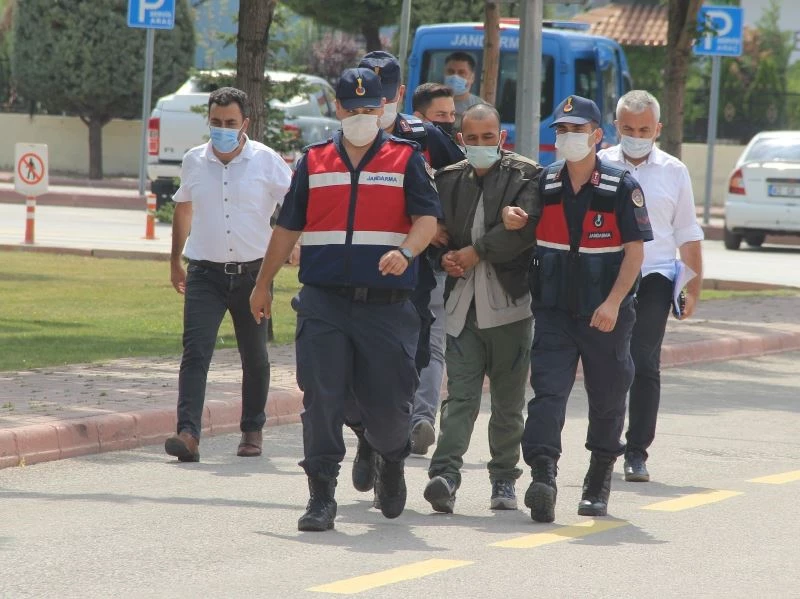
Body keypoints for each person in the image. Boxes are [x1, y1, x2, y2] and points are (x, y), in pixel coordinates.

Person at [249, 67, 440, 532]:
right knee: (321, 399)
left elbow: (428, 220)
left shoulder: (405, 159)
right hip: (324, 302)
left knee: (390, 407)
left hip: (387, 307)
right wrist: (263, 282)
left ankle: (390, 457)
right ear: (336, 109)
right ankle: (321, 496)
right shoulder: (313, 161)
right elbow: (287, 227)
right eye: (351, 109)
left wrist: (406, 251)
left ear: (382, 109)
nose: (360, 116)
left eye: (368, 108)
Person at [502, 95, 653, 522]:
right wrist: (515, 218)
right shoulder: (544, 183)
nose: (569, 137)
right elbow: (525, 222)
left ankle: (598, 478)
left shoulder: (621, 186)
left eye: (578, 130)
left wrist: (612, 302)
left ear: (597, 135)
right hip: (553, 311)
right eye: (562, 130)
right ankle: (543, 477)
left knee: (607, 398)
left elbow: (634, 254)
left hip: (605, 314)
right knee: (548, 395)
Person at [348, 53, 464, 499]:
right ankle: (365, 438)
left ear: (398, 95)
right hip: (358, 270)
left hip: (417, 271)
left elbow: (462, 182)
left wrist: (444, 231)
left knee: (407, 360)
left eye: (382, 94)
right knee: (358, 364)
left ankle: (399, 439)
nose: (373, 104)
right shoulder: (341, 143)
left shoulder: (425, 136)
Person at [424, 103, 542, 514]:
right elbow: (433, 232)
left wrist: (474, 252)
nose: (480, 145)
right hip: (461, 307)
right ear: (460, 141)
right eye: (471, 139)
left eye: (487, 137)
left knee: (508, 403)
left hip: (509, 307)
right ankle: (445, 476)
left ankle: (504, 481)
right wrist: (444, 254)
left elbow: (523, 233)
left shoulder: (526, 175)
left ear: (501, 137)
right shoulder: (448, 180)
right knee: (461, 397)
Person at [165, 86, 292, 463]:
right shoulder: (193, 161)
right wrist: (175, 260)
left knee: (254, 356)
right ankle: (188, 433)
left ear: (245, 123)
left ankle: (252, 430)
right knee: (195, 352)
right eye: (216, 122)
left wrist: (286, 252)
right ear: (209, 121)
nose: (222, 128)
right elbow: (183, 209)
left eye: (230, 123)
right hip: (204, 272)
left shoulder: (267, 161)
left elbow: (295, 207)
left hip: (254, 275)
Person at [597, 90, 704, 483]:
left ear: (657, 129)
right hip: (607, 275)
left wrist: (693, 288)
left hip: (655, 276)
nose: (636, 135)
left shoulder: (674, 171)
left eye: (644, 129)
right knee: (608, 364)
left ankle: (637, 451)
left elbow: (688, 233)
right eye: (628, 128)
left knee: (643, 362)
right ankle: (603, 446)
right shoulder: (599, 164)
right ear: (615, 127)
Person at [443, 51, 483, 129]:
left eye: (461, 72)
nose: (455, 77)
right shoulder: (432, 104)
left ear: (472, 77)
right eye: (450, 72)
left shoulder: (481, 108)